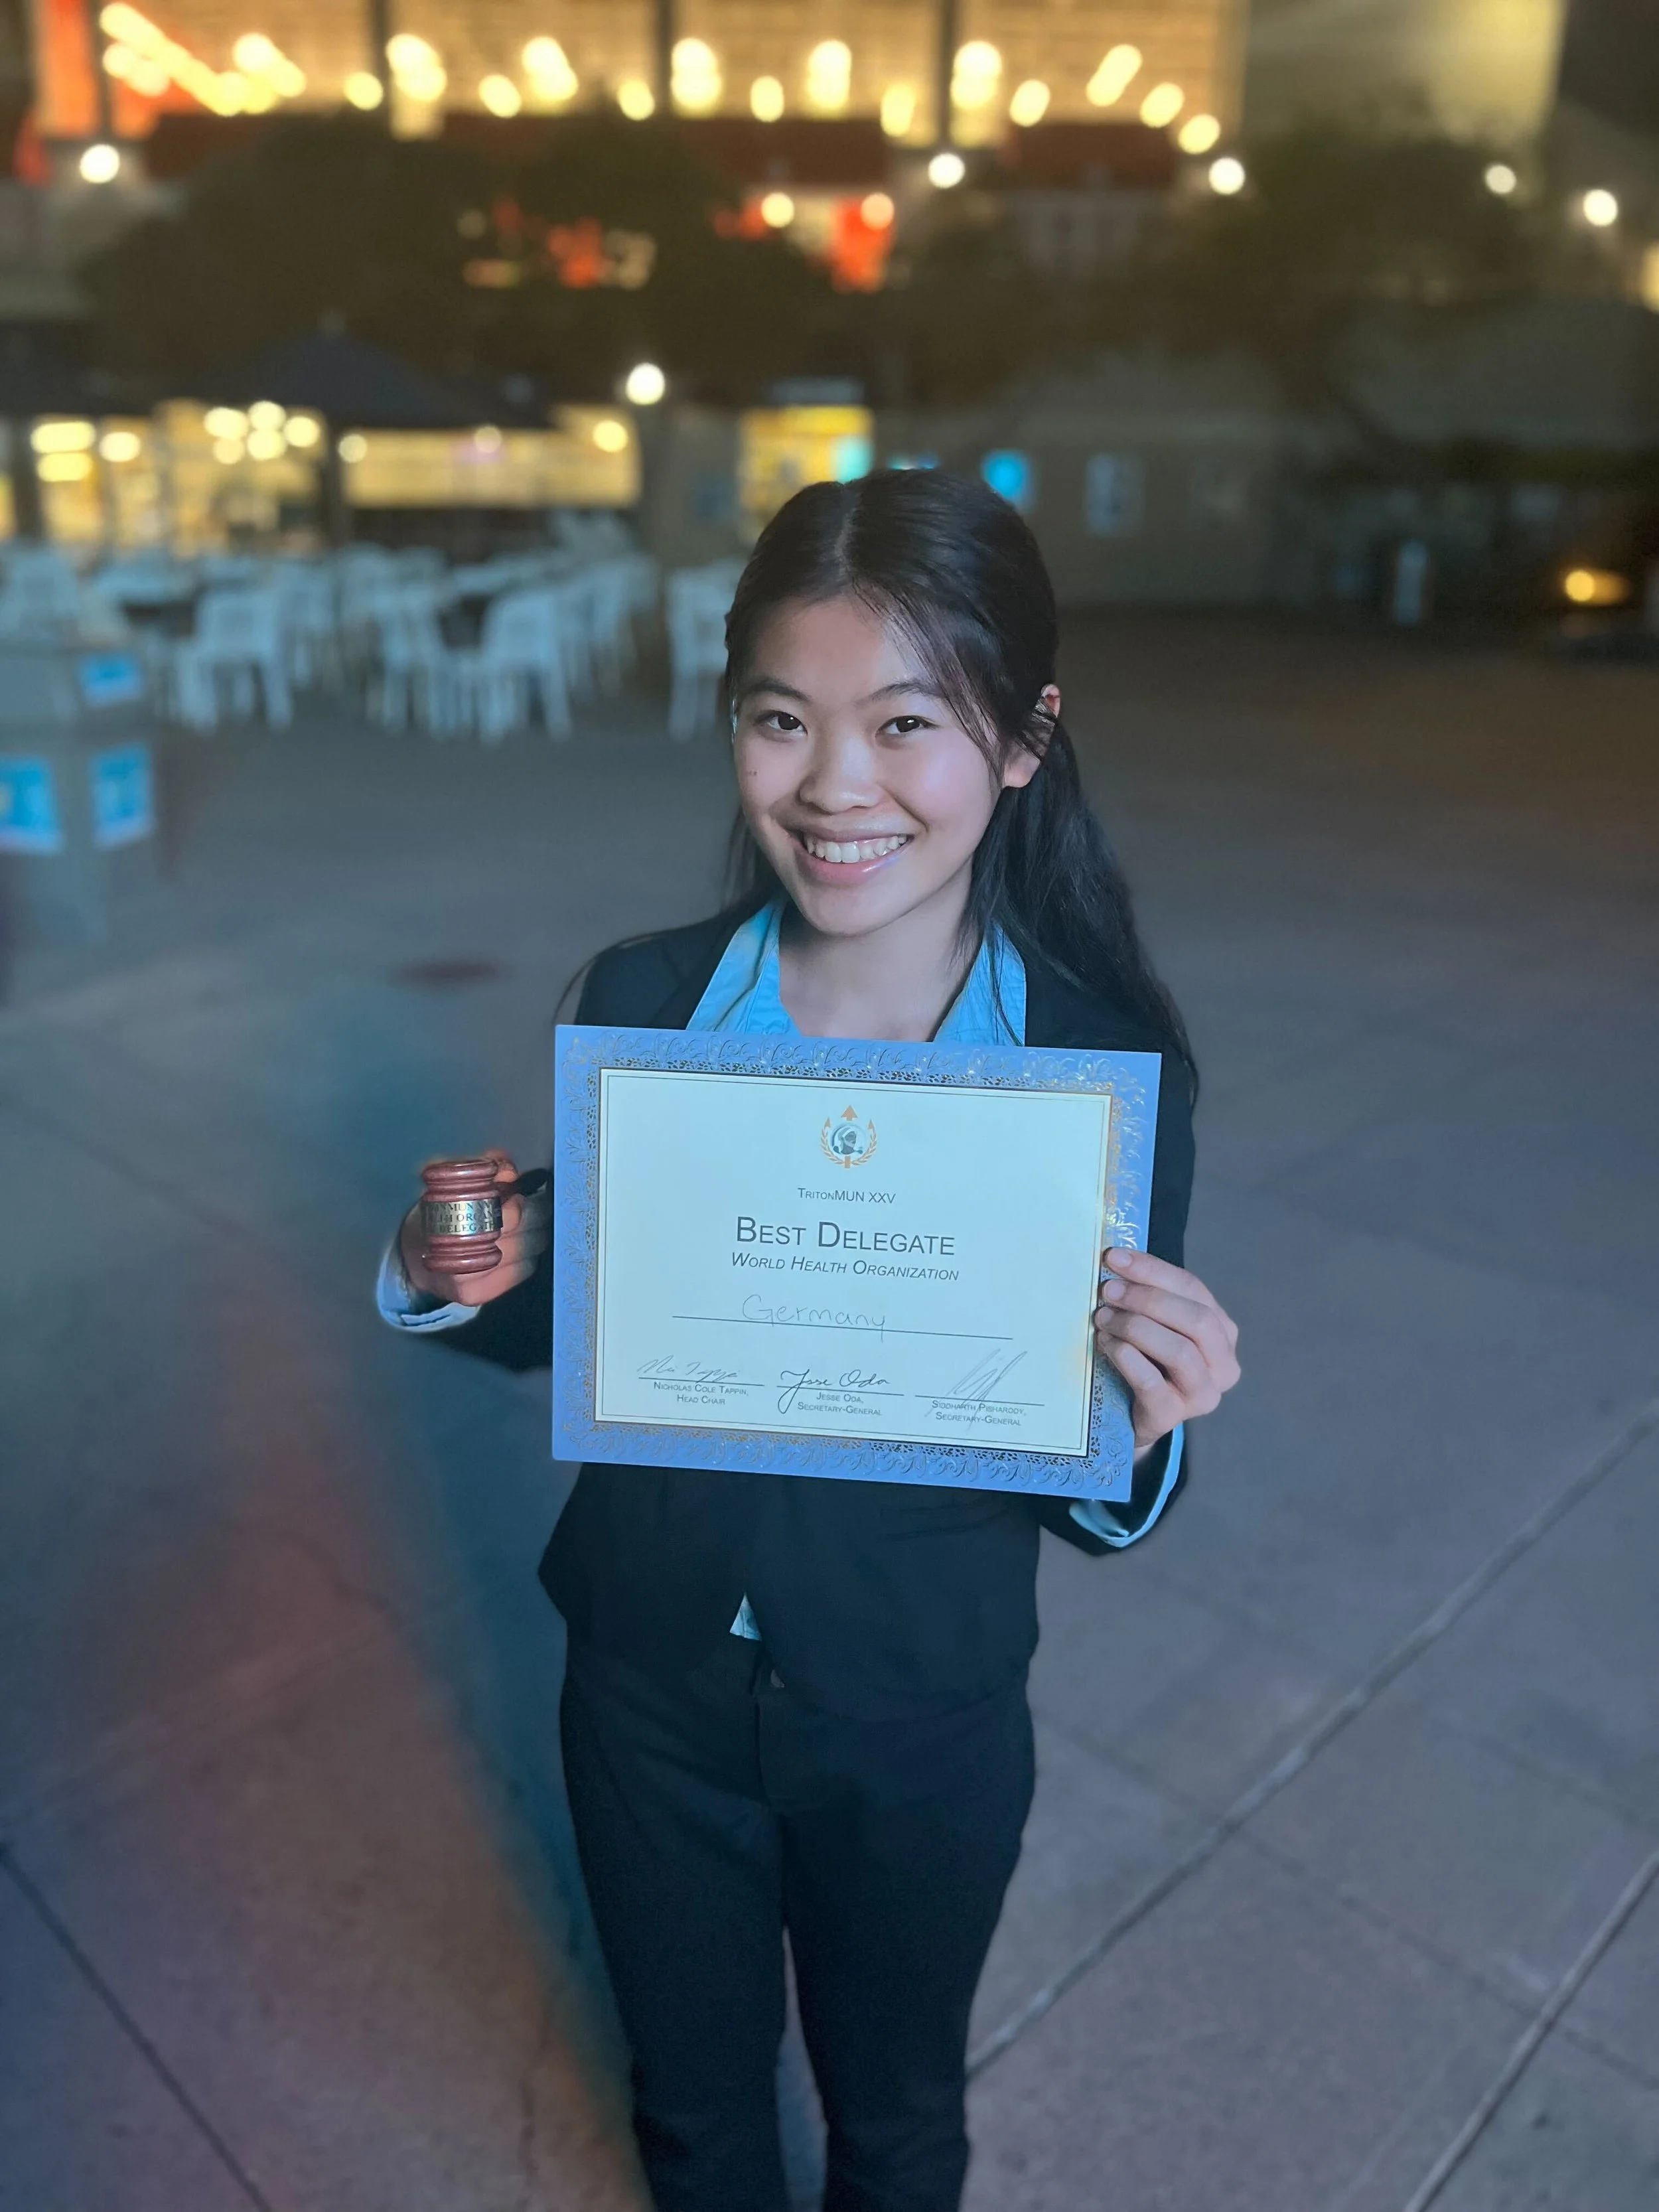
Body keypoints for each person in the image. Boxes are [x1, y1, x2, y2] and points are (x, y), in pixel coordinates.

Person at [379, 469, 1241, 2212]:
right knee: (692, 2112)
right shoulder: (642, 999)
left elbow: (1084, 1485)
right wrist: (446, 1258)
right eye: (782, 719)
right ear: (732, 725)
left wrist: (1149, 1421)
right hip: (646, 1690)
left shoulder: (1091, 1073)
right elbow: (588, 1311)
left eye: (904, 722)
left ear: (1019, 741)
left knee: (898, 2118)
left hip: (915, 1708)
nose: (836, 787)